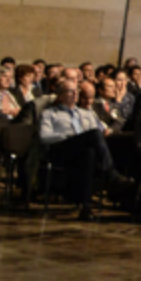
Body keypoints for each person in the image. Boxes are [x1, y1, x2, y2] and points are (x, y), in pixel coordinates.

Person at [36, 78, 115, 219]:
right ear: (60, 95)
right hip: (61, 150)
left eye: (76, 91)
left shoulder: (86, 113)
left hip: (81, 153)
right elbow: (44, 137)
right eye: (70, 91)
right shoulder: (49, 113)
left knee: (90, 153)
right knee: (95, 133)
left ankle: (86, 208)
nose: (75, 94)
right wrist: (68, 135)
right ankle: (109, 172)